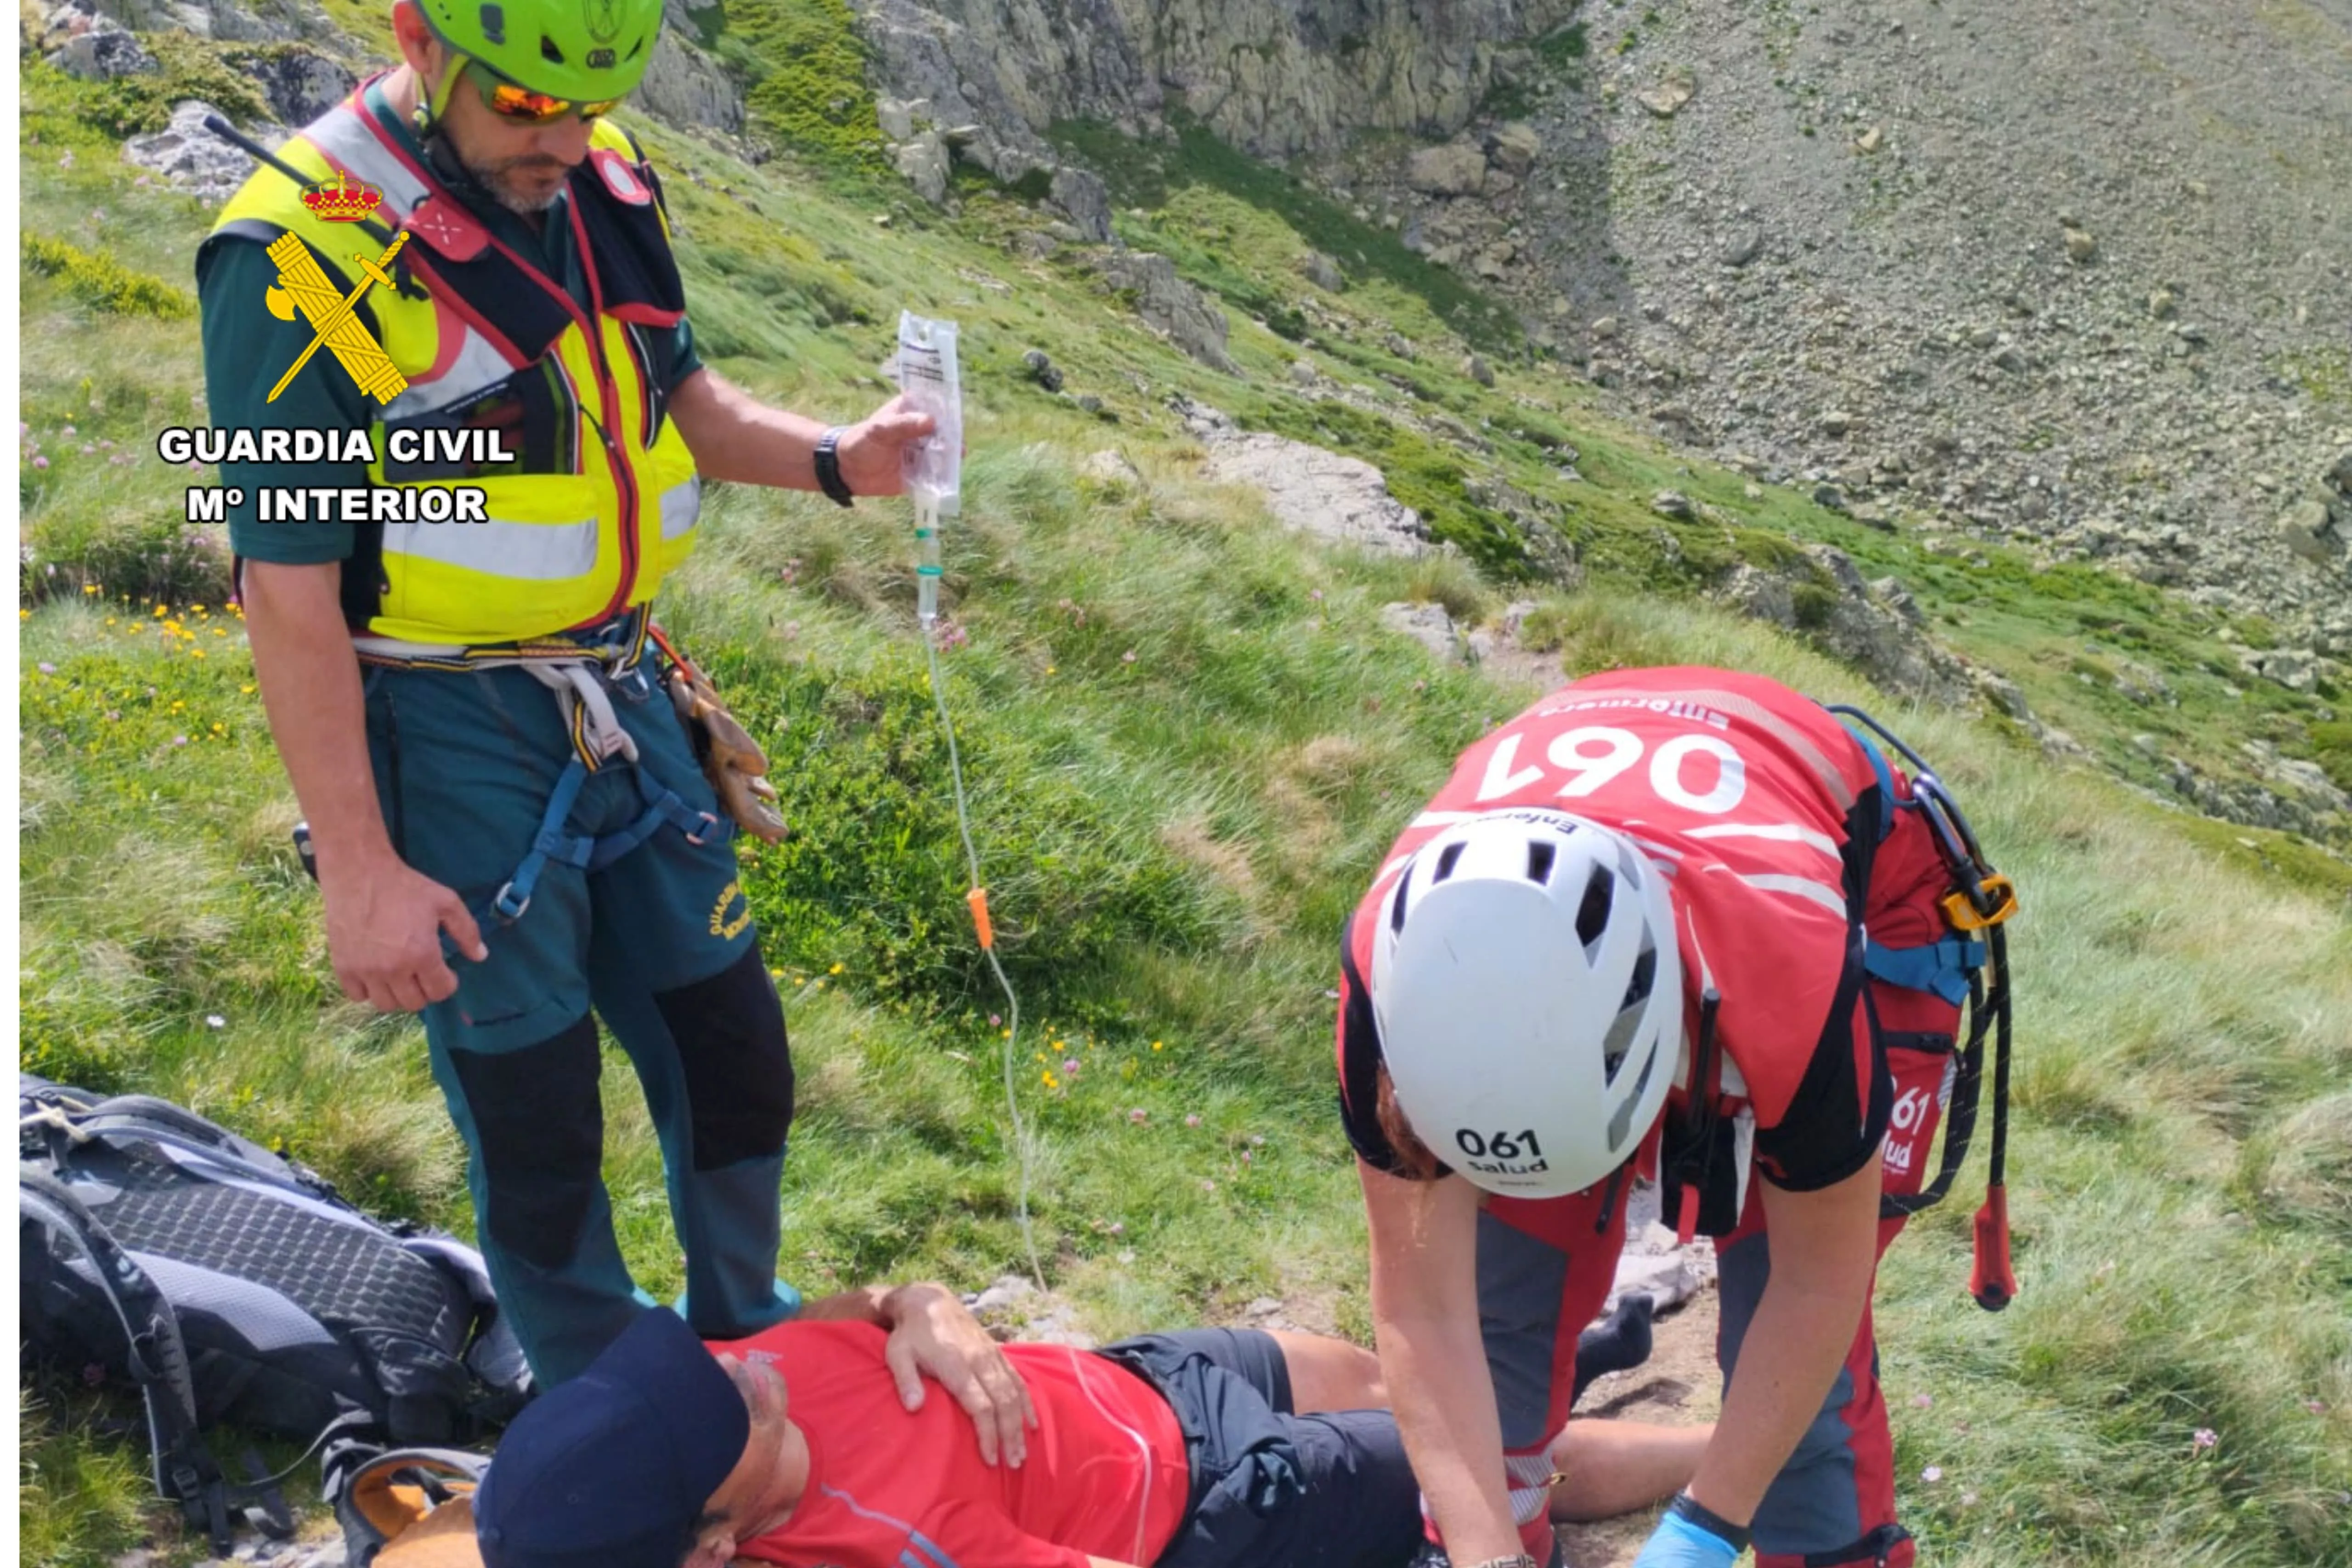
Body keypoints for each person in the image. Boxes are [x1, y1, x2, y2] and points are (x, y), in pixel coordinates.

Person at [194, 0, 938, 1385]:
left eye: (586, 109)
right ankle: (615, 1409)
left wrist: (841, 457)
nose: (562, 140)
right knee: (534, 1107)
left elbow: (681, 398)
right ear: (422, 47)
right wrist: (359, 871)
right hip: (444, 725)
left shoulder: (597, 178)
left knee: (731, 1048)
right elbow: (285, 587)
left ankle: (751, 1331)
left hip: (624, 688)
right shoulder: (305, 257)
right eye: (527, 110)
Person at [1336, 665, 1988, 1568]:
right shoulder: (1390, 988)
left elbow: (1814, 1288)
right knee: (1500, 1299)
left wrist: (1700, 1532)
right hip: (1639, 857)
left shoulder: (1788, 978)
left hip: (1867, 906)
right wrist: (1484, 1551)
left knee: (1790, 1353)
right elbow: (1423, 1308)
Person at [469, 1284, 1713, 1568]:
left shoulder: (741, 1373)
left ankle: (1569, 1350)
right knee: (1494, 1470)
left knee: (1412, 1379)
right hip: (1220, 1495)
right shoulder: (892, 1543)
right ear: (715, 1542)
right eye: (705, 1418)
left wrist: (929, 1306)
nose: (725, 1376)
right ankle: (1728, 1453)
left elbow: (863, 1307)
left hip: (1137, 1378)